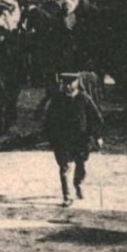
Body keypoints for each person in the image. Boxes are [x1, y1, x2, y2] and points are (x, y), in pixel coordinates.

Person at [44, 73, 105, 206]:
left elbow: (96, 118)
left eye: (70, 82)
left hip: (81, 139)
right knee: (64, 167)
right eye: (65, 82)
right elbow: (49, 120)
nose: (67, 85)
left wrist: (98, 136)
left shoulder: (84, 98)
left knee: (80, 164)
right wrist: (52, 137)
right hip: (63, 140)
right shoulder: (58, 99)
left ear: (77, 82)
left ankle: (78, 184)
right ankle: (67, 196)